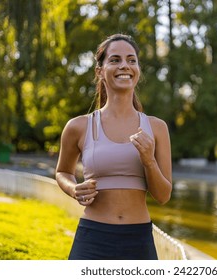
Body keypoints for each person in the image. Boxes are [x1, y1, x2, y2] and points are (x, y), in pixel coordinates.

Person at [55, 34, 172, 260]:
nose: (124, 66)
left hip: (139, 241)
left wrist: (149, 160)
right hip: (92, 238)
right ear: (100, 71)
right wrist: (73, 189)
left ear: (137, 69)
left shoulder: (157, 128)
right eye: (115, 60)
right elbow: (63, 172)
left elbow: (163, 195)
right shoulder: (78, 126)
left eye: (131, 60)